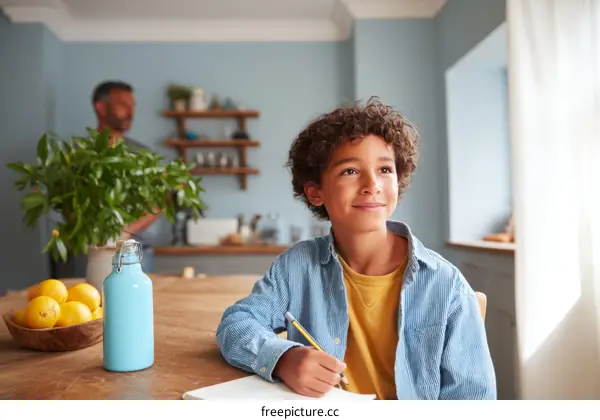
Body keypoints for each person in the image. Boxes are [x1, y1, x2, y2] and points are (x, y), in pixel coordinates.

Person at [215, 97, 496, 400]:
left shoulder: (447, 285)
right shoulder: (297, 266)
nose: (372, 184)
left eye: (385, 170)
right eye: (350, 171)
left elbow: (473, 400)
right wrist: (283, 359)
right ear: (315, 191)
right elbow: (236, 323)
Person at [50, 81, 161, 277]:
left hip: (136, 252)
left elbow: (158, 201)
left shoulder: (143, 154)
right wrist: (94, 233)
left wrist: (126, 230)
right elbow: (63, 201)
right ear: (100, 108)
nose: (130, 112)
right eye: (123, 105)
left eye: (132, 105)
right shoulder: (76, 154)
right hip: (88, 253)